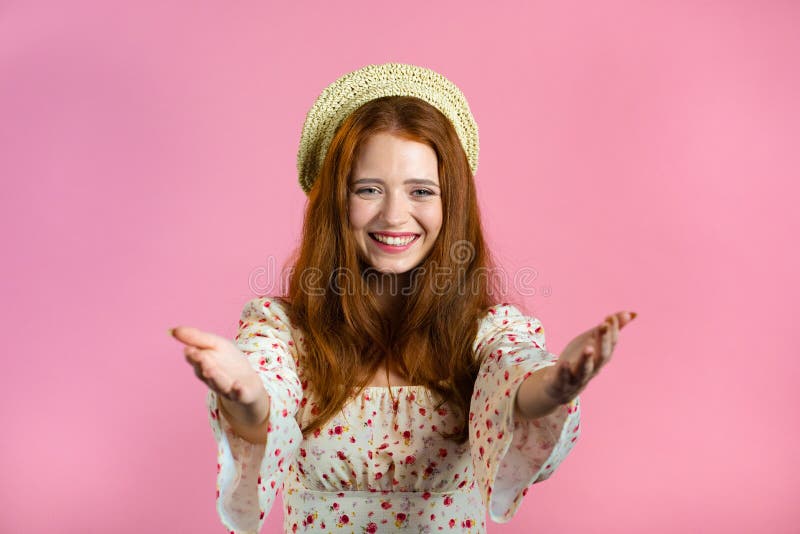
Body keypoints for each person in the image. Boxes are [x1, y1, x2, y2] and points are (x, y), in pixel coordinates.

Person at [170, 63, 636, 533]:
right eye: (369, 189)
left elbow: (515, 372)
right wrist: (246, 395)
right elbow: (265, 394)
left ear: (448, 203)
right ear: (336, 200)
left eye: (421, 191)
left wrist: (554, 386)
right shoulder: (283, 331)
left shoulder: (487, 332)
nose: (395, 215)